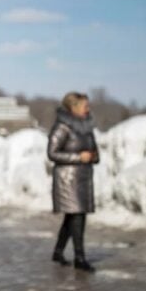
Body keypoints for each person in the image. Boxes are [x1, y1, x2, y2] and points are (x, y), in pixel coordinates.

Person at [47, 92, 99, 272]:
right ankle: (80, 257)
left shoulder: (87, 127)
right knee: (77, 216)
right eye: (85, 105)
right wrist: (78, 157)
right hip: (67, 179)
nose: (88, 108)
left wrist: (92, 156)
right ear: (73, 107)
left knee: (73, 216)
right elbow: (52, 153)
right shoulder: (62, 127)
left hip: (83, 177)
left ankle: (58, 251)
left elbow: (94, 152)